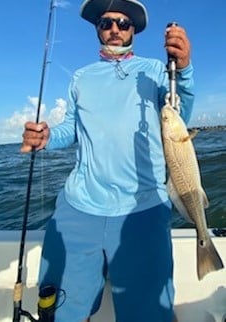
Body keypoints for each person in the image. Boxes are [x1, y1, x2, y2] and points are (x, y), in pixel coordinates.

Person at [21, 0, 194, 321]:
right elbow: (70, 129)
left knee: (148, 314)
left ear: (133, 30)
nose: (114, 29)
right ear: (98, 29)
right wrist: (46, 136)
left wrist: (182, 70)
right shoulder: (81, 77)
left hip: (142, 211)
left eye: (123, 23)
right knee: (62, 311)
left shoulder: (156, 70)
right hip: (78, 209)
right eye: (106, 23)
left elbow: (179, 113)